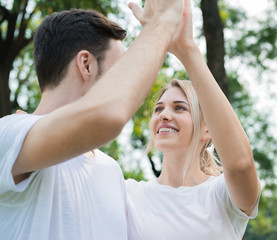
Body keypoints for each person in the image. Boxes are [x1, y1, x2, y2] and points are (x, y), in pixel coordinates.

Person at [0, 1, 184, 239]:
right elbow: (108, 116)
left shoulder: (111, 171)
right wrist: (163, 23)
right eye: (119, 71)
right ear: (86, 64)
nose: (125, 83)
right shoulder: (9, 135)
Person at [125, 0, 261, 239]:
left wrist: (187, 50)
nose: (164, 115)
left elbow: (240, 165)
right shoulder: (129, 195)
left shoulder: (222, 195)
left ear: (207, 129)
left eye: (180, 108)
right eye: (158, 109)